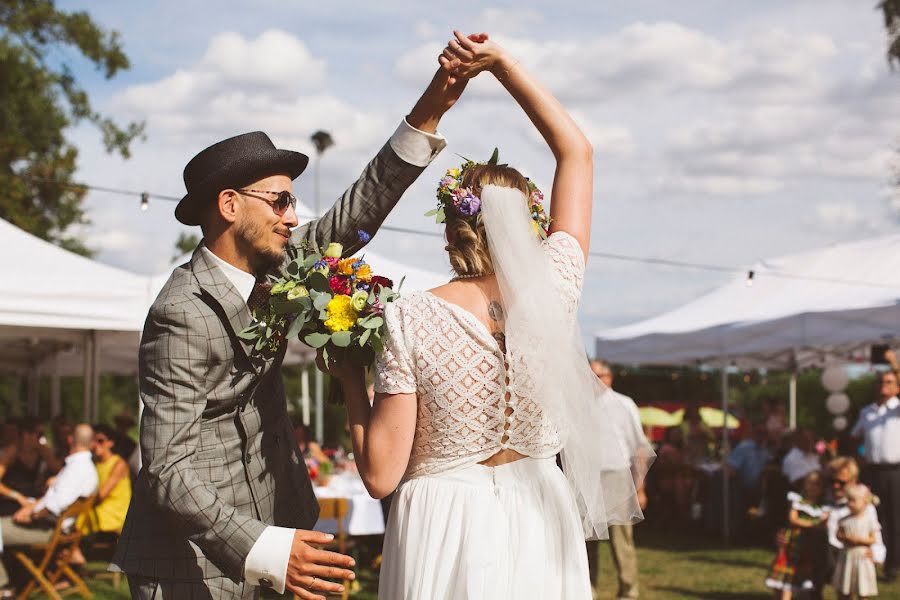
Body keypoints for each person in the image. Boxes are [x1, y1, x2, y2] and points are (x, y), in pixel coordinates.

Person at [110, 46, 475, 600]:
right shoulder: (180, 311)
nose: (293, 216)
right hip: (195, 561)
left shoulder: (280, 272)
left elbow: (357, 212)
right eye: (280, 201)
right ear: (230, 206)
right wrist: (263, 548)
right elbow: (168, 468)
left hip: (282, 526)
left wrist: (429, 111)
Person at [327, 32, 651, 599]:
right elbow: (577, 151)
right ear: (530, 223)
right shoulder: (557, 284)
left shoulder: (410, 316)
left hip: (446, 523)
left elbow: (380, 476)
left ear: (452, 231)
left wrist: (351, 379)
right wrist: (504, 65)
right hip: (540, 510)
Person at [0, 424, 98, 593]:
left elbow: (55, 505)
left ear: (69, 440)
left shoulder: (77, 469)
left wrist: (32, 516)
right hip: (55, 528)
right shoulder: (84, 467)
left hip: (47, 529)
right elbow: (55, 499)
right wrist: (32, 506)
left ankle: (4, 587)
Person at [588, 359, 647, 599]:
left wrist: (639, 487)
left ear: (609, 378)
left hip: (617, 477)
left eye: (598, 376)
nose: (593, 382)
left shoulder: (624, 404)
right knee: (587, 540)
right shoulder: (579, 405)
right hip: (588, 480)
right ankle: (588, 589)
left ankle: (628, 591)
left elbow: (639, 449)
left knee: (621, 541)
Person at [851, 356, 900, 582]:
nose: (884, 386)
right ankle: (877, 559)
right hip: (874, 470)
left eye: (889, 382)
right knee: (877, 517)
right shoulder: (867, 412)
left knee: (895, 516)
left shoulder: (897, 409)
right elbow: (855, 437)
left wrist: (896, 366)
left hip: (895, 470)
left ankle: (893, 564)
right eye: (881, 382)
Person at [67, 424, 133, 567]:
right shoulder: (95, 464)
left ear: (111, 443)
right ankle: (70, 557)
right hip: (99, 507)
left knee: (76, 517)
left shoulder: (118, 463)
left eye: (100, 441)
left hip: (116, 511)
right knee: (72, 515)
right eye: (94, 441)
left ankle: (72, 555)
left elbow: (102, 494)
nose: (96, 445)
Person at [765, 471, 830, 599]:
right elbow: (793, 519)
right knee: (783, 582)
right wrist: (812, 524)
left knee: (799, 581)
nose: (812, 487)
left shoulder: (821, 508)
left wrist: (816, 523)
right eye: (809, 483)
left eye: (817, 484)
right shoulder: (798, 501)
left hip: (806, 548)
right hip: (792, 544)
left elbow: (824, 525)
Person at [832, 483, 880, 599]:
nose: (849, 503)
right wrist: (845, 538)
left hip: (862, 557)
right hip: (848, 556)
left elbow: (873, 538)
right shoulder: (844, 520)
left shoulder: (869, 520)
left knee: (862, 588)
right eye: (848, 500)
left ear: (865, 502)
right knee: (845, 587)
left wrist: (859, 540)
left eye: (853, 501)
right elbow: (838, 535)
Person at [0, 418, 53, 516]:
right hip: (10, 503)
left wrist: (48, 456)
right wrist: (18, 497)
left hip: (31, 501)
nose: (40, 439)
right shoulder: (11, 452)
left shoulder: (42, 451)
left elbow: (59, 470)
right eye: (39, 435)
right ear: (26, 434)